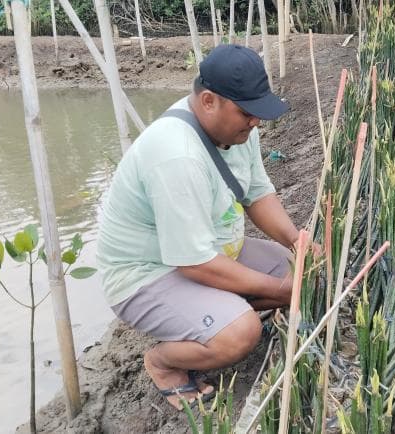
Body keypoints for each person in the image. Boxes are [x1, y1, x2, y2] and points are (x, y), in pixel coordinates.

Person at [96, 44, 299, 411]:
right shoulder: (177, 154)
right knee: (242, 333)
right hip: (148, 273)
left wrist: (298, 240)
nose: (256, 122)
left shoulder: (238, 131)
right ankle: (163, 362)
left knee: (295, 268)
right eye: (248, 112)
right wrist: (281, 290)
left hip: (208, 249)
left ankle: (221, 311)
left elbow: (257, 195)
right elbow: (195, 264)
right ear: (208, 101)